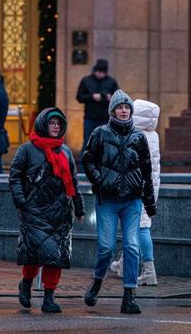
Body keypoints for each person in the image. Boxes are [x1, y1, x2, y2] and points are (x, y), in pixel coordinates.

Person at [82, 89, 156, 314]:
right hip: (108, 200)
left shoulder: (139, 137)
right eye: (119, 107)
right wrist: (99, 180)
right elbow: (87, 160)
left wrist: (149, 203)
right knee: (106, 248)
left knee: (132, 246)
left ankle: (129, 296)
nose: (124, 111)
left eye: (126, 107)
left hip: (132, 201)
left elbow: (146, 171)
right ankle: (97, 282)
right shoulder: (100, 133)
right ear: (112, 111)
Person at [9, 107, 85, 313]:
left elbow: (73, 182)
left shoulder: (65, 151)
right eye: (52, 123)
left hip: (60, 212)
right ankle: (26, 283)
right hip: (34, 210)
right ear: (43, 124)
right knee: (34, 253)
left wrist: (79, 207)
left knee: (55, 256)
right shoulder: (27, 149)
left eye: (59, 123)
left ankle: (49, 297)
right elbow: (15, 175)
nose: (56, 126)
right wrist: (21, 201)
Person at [109, 99, 161, 286]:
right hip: (150, 186)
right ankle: (124, 264)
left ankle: (149, 271)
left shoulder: (136, 135)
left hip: (138, 188)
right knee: (134, 225)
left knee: (141, 227)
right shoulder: (152, 134)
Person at [76, 58, 119, 161]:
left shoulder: (111, 82)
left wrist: (110, 98)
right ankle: (84, 168)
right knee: (88, 144)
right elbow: (79, 97)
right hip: (90, 118)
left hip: (106, 119)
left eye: (103, 72)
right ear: (95, 70)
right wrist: (92, 97)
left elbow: (118, 98)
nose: (101, 74)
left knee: (107, 145)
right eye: (99, 72)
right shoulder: (86, 81)